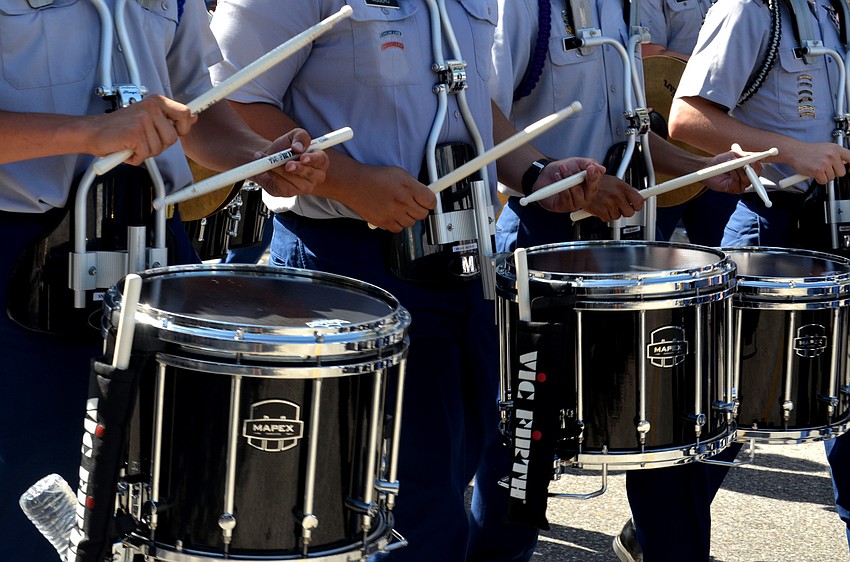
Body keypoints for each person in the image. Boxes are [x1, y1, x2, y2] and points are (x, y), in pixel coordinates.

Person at [208, 1, 605, 559]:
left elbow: (468, 98)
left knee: (451, 471)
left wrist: (535, 170)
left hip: (462, 264)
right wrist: (351, 182)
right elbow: (227, 99)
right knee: (403, 510)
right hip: (349, 266)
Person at [0, 0, 328, 558]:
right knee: (27, 511)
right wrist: (87, 133)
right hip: (19, 265)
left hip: (152, 248)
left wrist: (258, 156)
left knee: (162, 505)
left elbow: (201, 112)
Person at [487, 1, 755, 561]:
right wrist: (553, 175)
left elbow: (626, 130)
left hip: (619, 247)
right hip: (542, 246)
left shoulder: (618, 6)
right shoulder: (523, 7)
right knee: (519, 460)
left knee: (658, 436)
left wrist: (698, 166)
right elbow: (481, 113)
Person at [668, 0, 850, 551]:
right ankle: (663, 532)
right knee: (733, 411)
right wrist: (793, 152)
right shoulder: (750, 8)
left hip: (837, 224)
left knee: (843, 398)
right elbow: (686, 117)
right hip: (774, 225)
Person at [642, 0, 742, 246]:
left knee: (725, 255)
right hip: (669, 147)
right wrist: (721, 70)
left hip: (723, 138)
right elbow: (648, 52)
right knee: (655, 256)